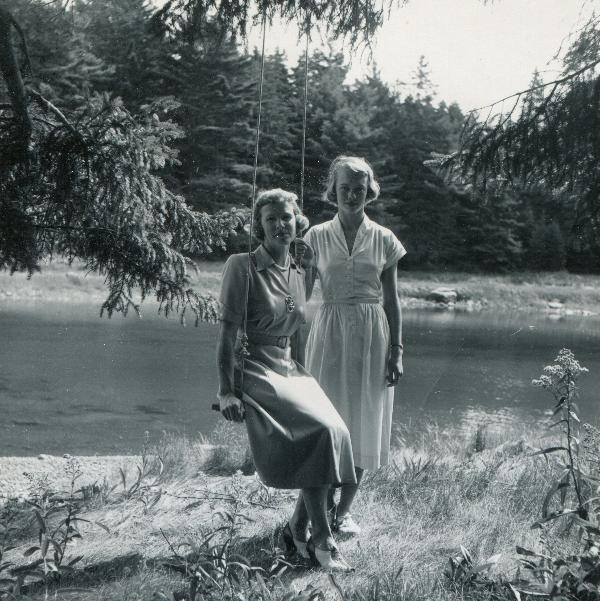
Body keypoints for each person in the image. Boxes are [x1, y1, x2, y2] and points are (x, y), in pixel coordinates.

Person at [215, 188, 356, 571]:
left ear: (298, 223)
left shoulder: (300, 269)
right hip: (254, 364)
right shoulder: (241, 265)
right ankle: (323, 541)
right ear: (258, 226)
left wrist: (306, 377)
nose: (280, 224)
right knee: (322, 432)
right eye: (271, 218)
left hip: (289, 366)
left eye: (287, 217)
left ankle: (296, 528)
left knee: (336, 431)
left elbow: (296, 330)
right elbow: (227, 334)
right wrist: (227, 391)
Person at [299, 156, 406, 536]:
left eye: (359, 189)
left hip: (372, 334)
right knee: (325, 422)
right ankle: (318, 508)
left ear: (369, 192)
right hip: (328, 331)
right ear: (333, 189)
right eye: (344, 188)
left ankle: (343, 511)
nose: (351, 195)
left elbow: (391, 300)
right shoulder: (314, 236)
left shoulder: (384, 238)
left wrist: (397, 349)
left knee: (363, 419)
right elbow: (300, 293)